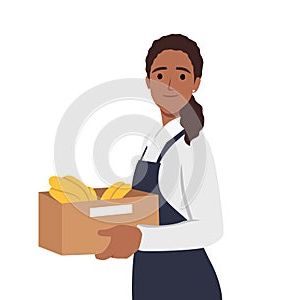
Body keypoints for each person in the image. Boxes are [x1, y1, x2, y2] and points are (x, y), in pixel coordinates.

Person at [95, 34, 223, 300]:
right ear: (148, 82)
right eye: (160, 75)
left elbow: (211, 228)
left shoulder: (192, 146)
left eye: (182, 76)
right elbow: (143, 205)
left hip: (187, 283)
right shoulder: (153, 140)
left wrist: (140, 240)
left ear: (196, 84)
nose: (170, 85)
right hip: (149, 275)